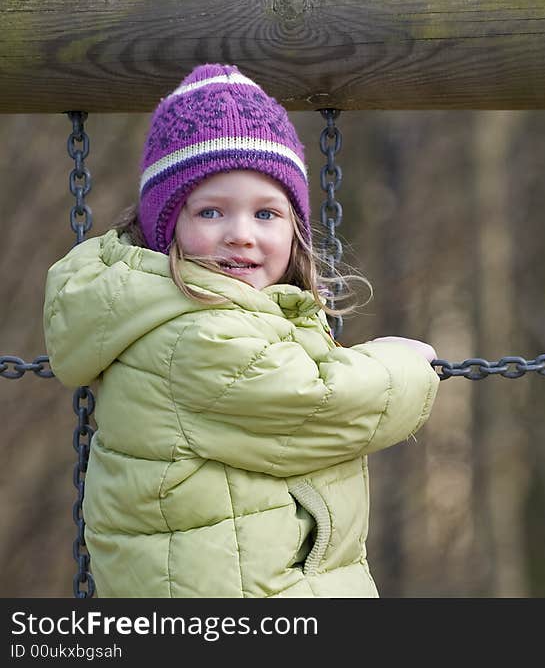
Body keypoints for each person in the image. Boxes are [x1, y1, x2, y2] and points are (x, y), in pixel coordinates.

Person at [42, 63, 440, 597]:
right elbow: (317, 403)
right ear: (166, 227)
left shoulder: (211, 314)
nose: (241, 235)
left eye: (267, 214)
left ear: (295, 227)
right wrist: (405, 365)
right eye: (211, 212)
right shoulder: (189, 334)